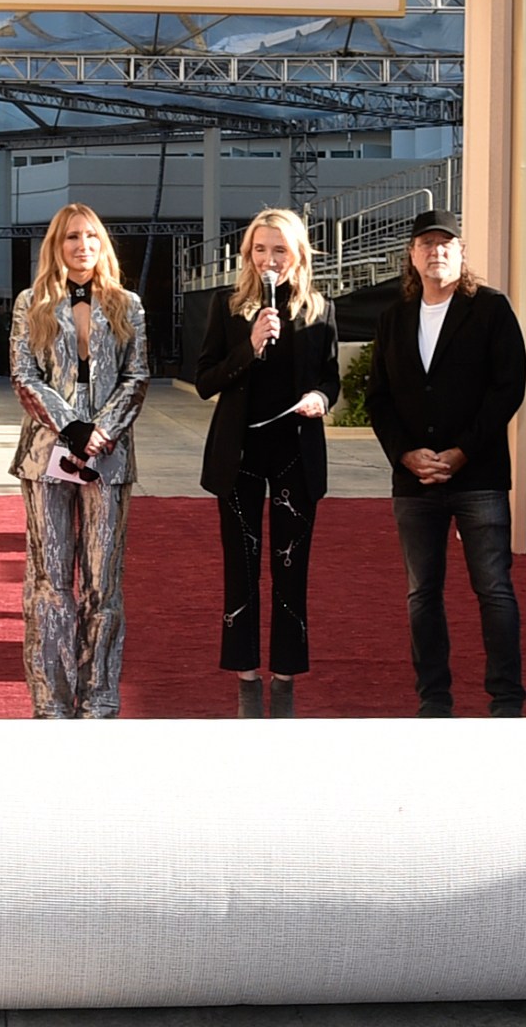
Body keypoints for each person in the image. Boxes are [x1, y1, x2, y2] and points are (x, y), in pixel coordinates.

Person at [365, 209, 526, 718]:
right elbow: (379, 399)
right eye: (426, 243)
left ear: (461, 254)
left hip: (477, 476)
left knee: (494, 588)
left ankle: (506, 699)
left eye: (446, 244)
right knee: (422, 593)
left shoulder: (491, 309)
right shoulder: (396, 317)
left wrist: (461, 453)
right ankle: (433, 699)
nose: (436, 251)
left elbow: (508, 389)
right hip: (414, 482)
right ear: (411, 256)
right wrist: (405, 454)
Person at [195, 208, 340, 718]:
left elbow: (330, 378)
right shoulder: (228, 307)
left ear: (298, 253)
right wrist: (250, 347)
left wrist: (322, 399)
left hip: (294, 458)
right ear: (248, 255)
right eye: (260, 250)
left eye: (279, 250)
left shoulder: (321, 310)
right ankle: (247, 681)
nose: (269, 260)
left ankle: (284, 682)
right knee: (241, 570)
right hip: (241, 458)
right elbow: (206, 379)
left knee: (290, 570)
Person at [11, 203, 150, 719]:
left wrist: (102, 431)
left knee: (103, 581)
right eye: (71, 237)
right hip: (47, 456)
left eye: (91, 236)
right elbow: (24, 374)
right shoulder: (32, 303)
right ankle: (50, 699)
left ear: (102, 244)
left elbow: (137, 378)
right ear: (56, 245)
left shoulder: (127, 304)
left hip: (108, 461)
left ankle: (100, 696)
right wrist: (70, 425)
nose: (82, 245)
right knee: (50, 581)